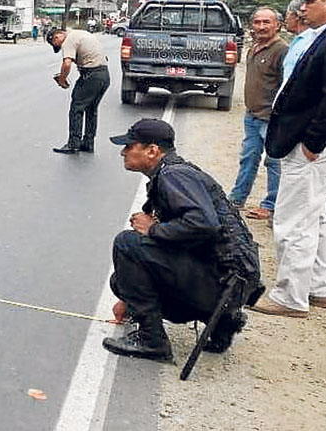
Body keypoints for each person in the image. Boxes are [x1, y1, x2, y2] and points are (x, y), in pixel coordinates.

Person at [102, 119, 261, 362]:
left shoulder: (173, 176)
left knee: (127, 243)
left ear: (152, 150)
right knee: (120, 281)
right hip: (228, 282)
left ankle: (151, 340)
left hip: (223, 282)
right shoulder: (176, 172)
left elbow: (204, 224)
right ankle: (222, 321)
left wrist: (153, 229)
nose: (123, 152)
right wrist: (128, 297)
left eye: (130, 146)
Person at [253, 0, 326, 317]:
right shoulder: (320, 37)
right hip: (306, 142)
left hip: (308, 145)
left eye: (310, 0)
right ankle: (318, 287)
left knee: (295, 220)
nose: (304, 6)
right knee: (317, 217)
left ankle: (290, 297)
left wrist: (313, 140)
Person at [228, 7, 287, 219]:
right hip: (252, 116)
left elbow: (286, 86)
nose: (261, 27)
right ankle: (237, 199)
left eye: (266, 22)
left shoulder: (282, 50)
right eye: (257, 22)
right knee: (248, 158)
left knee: (273, 162)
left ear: (277, 25)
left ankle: (271, 205)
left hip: (271, 120)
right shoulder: (255, 47)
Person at [47, 27, 110, 153]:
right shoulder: (80, 33)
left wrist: (62, 79)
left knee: (77, 108)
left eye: (56, 45)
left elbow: (67, 63)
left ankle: (73, 144)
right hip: (104, 75)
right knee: (91, 109)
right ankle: (88, 143)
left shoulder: (68, 40)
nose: (60, 48)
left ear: (57, 37)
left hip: (91, 75)